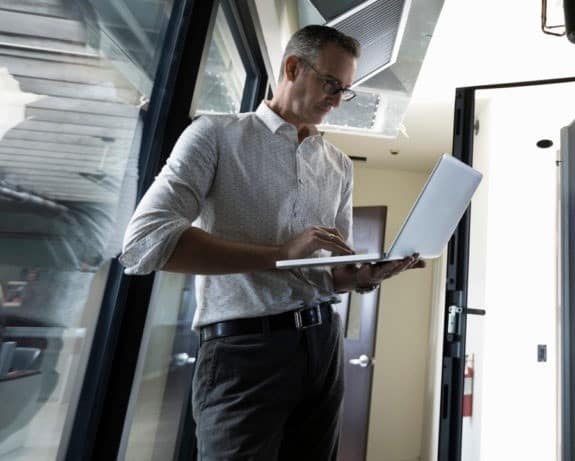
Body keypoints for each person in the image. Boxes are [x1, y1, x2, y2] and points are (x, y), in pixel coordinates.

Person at [119, 25, 421, 460]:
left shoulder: (338, 165)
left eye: (346, 91)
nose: (337, 101)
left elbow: (329, 273)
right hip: (244, 351)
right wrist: (278, 255)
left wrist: (363, 276)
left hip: (323, 344)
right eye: (332, 85)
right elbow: (145, 241)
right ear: (293, 68)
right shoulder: (215, 136)